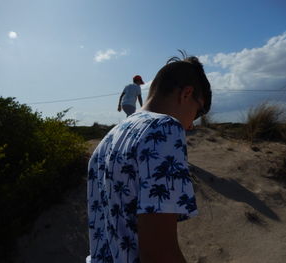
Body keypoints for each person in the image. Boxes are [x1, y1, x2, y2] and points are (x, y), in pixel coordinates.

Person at [87, 52, 212, 263]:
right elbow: (159, 254)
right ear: (186, 94)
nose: (191, 125)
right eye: (198, 112)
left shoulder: (109, 137)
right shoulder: (165, 129)